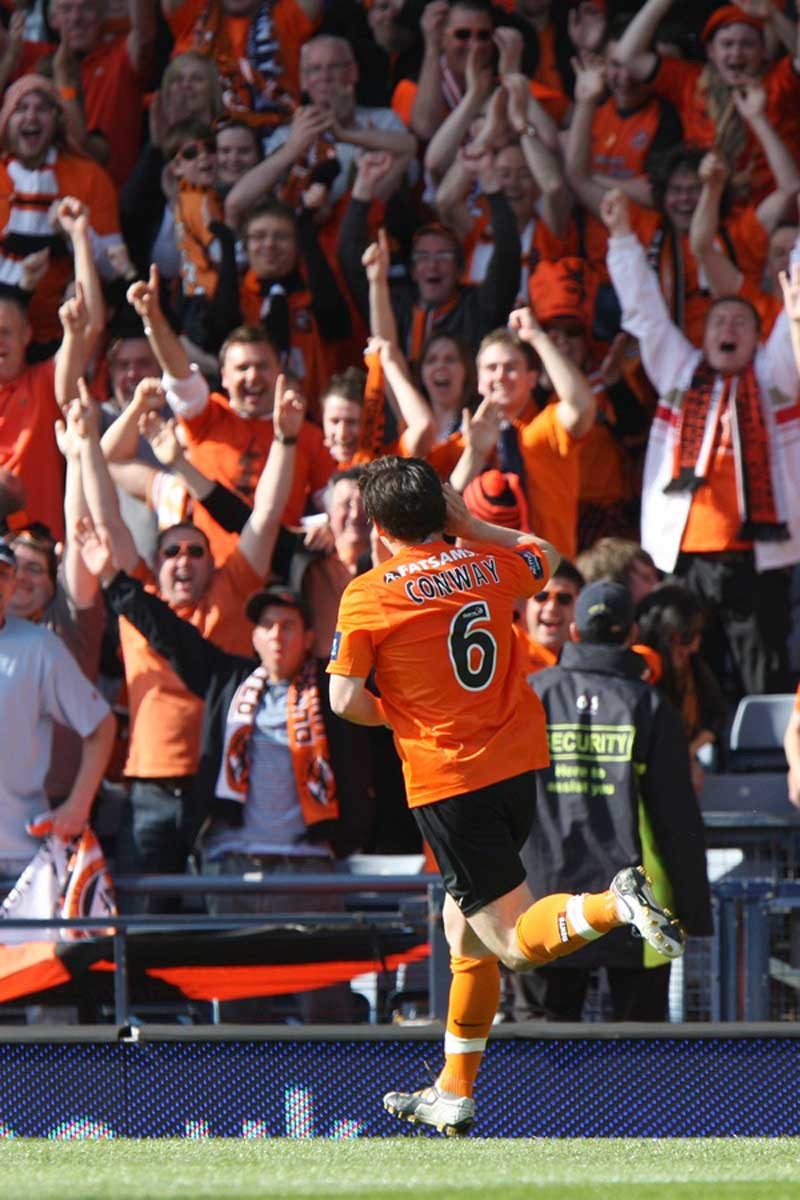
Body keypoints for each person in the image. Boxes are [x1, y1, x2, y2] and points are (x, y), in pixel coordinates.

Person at [327, 456, 684, 1135]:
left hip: (450, 778)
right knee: (465, 929)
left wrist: (401, 713)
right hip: (518, 767)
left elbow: (345, 699)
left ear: (377, 525)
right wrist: (474, 527)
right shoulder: (486, 565)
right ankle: (453, 1092)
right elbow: (545, 559)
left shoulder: (368, 594)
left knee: (514, 944)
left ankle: (615, 902)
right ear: (444, 511)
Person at [603, 186, 800, 699]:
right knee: (682, 674)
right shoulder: (679, 371)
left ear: (759, 338)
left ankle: (773, 774)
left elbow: (795, 307)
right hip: (682, 559)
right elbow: (645, 312)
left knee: (763, 672)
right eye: (718, 321)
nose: (728, 327)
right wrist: (622, 238)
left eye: (740, 322)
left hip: (759, 557)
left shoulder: (777, 376)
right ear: (702, 334)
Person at [517, 580, 713, 1023]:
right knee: (638, 1063)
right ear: (631, 636)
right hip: (637, 907)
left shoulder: (531, 695)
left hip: (545, 901)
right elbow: (676, 818)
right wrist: (695, 914)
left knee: (539, 1053)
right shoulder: (650, 705)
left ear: (574, 632)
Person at [0, 539, 115, 879]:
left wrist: (78, 804)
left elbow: (101, 726)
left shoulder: (40, 647)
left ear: (10, 585)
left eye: (3, 574)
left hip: (21, 856)